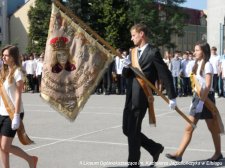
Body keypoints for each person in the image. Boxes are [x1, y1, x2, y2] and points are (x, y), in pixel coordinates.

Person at [122, 23, 177, 167]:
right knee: (126, 129)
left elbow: (165, 75)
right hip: (129, 96)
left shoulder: (153, 52)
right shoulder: (132, 52)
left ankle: (133, 164)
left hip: (142, 97)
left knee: (133, 131)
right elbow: (127, 75)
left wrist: (172, 97)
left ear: (142, 34)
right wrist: (126, 66)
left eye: (134, 35)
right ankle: (154, 148)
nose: (131, 38)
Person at [166, 42, 223, 162]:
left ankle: (218, 153)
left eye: (197, 50)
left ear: (204, 51)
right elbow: (196, 84)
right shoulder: (196, 64)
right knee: (189, 127)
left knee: (212, 128)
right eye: (195, 50)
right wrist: (195, 101)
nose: (194, 52)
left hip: (207, 98)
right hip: (198, 97)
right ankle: (179, 154)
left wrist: (202, 102)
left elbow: (207, 86)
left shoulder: (208, 65)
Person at [0, 45, 38, 168]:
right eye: (3, 55)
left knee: (5, 145)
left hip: (12, 113)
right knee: (1, 146)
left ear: (13, 57)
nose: (3, 57)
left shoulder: (18, 72)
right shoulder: (4, 71)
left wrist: (16, 115)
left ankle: (30, 159)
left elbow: (18, 96)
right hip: (1, 112)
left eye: (6, 55)